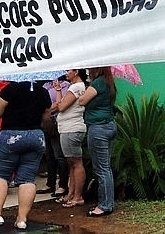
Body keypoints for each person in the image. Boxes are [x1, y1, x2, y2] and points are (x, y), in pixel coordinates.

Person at [0, 81, 51, 232]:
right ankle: (22, 219)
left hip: (11, 135)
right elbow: (47, 117)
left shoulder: (11, 88)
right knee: (28, 178)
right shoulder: (42, 91)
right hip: (36, 137)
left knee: (0, 174)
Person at [78, 67, 117, 217]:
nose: (88, 70)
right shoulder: (108, 82)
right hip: (108, 125)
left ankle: (105, 205)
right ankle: (108, 202)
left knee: (101, 168)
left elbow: (82, 100)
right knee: (105, 167)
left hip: (98, 128)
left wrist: (85, 91)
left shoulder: (98, 83)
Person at [52, 69, 87, 207]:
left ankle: (77, 196)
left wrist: (59, 104)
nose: (66, 73)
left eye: (68, 70)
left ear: (76, 71)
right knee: (72, 163)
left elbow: (61, 107)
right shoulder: (76, 87)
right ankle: (71, 194)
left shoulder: (76, 87)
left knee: (76, 163)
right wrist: (59, 90)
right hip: (68, 128)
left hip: (71, 128)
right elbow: (61, 104)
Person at [36, 75, 69, 198]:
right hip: (46, 122)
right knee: (49, 154)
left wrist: (49, 109)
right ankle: (50, 183)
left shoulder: (66, 85)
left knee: (59, 155)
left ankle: (63, 184)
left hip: (57, 122)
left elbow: (60, 104)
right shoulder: (46, 86)